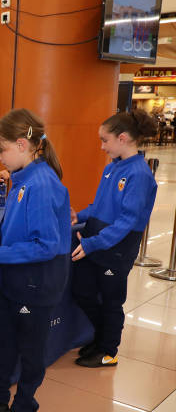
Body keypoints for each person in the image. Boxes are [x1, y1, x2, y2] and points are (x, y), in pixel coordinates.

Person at [0, 108, 70, 412]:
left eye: (1, 149)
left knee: (29, 349)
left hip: (36, 283)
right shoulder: (23, 180)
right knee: (3, 341)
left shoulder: (41, 185)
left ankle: (25, 408)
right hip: (12, 280)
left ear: (23, 145)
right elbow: (12, 228)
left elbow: (45, 245)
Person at [71, 110, 158, 367]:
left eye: (104, 140)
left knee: (111, 299)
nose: (101, 146)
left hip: (116, 246)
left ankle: (109, 350)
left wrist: (92, 243)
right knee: (83, 291)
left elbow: (127, 221)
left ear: (122, 138)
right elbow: (100, 205)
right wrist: (79, 215)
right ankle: (101, 338)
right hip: (96, 240)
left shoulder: (139, 174)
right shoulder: (112, 168)